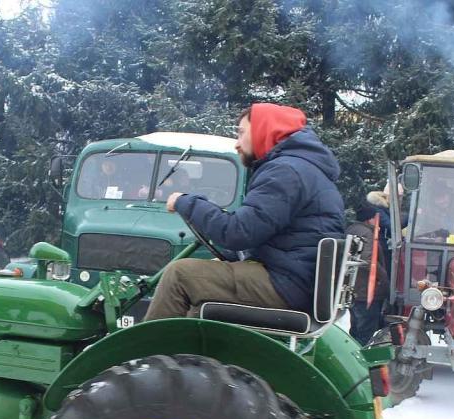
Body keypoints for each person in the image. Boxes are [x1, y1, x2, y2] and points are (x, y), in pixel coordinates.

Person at [144, 103, 344, 320]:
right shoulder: (300, 167)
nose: (237, 145)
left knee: (179, 275)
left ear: (264, 130)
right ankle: (184, 352)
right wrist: (232, 258)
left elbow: (237, 233)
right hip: (298, 279)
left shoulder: (285, 171)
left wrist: (186, 202)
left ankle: (150, 353)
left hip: (288, 283)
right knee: (196, 299)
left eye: (241, 133)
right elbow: (266, 235)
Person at [346, 201, 389, 345]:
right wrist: (384, 278)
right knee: (366, 333)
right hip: (367, 292)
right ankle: (360, 362)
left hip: (355, 290)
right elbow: (368, 260)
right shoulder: (368, 233)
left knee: (356, 328)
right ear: (369, 219)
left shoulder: (352, 230)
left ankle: (350, 355)